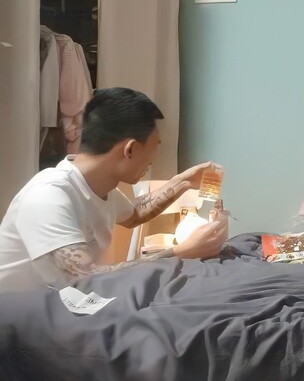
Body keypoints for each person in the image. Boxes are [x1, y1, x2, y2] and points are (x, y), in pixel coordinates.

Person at [0, 87, 229, 293]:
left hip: (62, 305)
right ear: (130, 149)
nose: (152, 159)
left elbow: (135, 213)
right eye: (154, 147)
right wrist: (182, 252)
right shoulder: (47, 196)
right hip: (16, 318)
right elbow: (86, 279)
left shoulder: (97, 186)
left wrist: (182, 182)